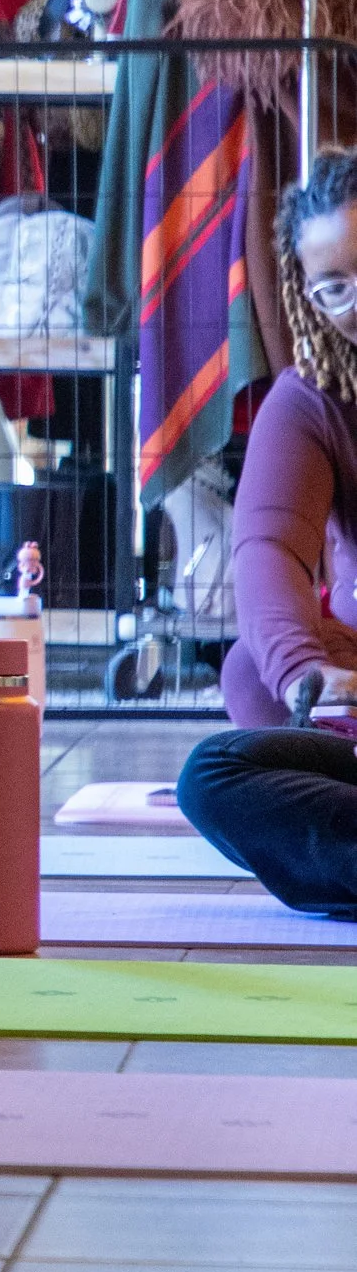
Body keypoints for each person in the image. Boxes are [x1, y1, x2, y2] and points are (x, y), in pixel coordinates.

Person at [174, 151, 357, 913]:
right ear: (308, 299)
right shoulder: (310, 398)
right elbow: (269, 549)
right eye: (336, 287)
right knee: (229, 734)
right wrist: (303, 674)